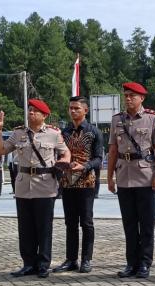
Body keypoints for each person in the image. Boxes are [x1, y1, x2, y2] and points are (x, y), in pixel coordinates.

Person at [0, 99, 71, 278]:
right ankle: (28, 263)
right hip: (23, 184)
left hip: (45, 184)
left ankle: (43, 264)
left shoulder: (53, 134)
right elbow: (1, 150)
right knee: (25, 227)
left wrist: (64, 161)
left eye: (35, 111)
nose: (31, 113)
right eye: (29, 110)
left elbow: (65, 151)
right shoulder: (19, 133)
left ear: (44, 115)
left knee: (44, 227)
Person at [107, 82, 155, 279]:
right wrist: (109, 177)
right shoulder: (117, 120)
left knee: (147, 224)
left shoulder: (152, 117)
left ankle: (144, 263)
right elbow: (113, 150)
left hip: (146, 177)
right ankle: (131, 263)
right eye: (126, 95)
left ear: (142, 98)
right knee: (129, 224)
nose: (128, 98)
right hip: (124, 176)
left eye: (132, 95)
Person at [52, 96, 103, 274]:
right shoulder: (63, 133)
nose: (73, 111)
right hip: (67, 182)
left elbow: (98, 159)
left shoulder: (93, 132)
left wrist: (85, 166)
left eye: (77, 108)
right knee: (70, 223)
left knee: (87, 222)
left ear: (85, 111)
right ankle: (71, 259)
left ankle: (86, 259)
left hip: (87, 183)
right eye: (71, 108)